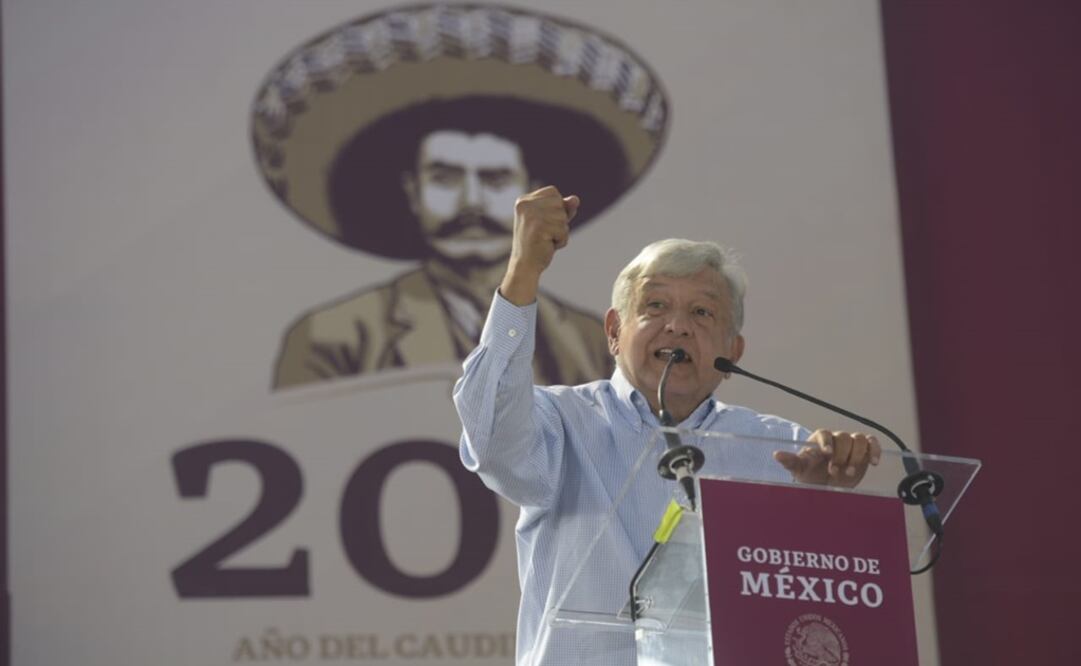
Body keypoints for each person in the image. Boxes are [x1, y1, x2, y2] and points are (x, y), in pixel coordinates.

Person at [454, 186, 881, 666]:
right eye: (655, 307)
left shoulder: (782, 450)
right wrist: (523, 272)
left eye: (701, 312)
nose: (677, 326)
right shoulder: (561, 423)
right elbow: (492, 441)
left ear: (732, 353)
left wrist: (818, 508)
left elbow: (810, 613)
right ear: (614, 332)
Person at [272, 97, 629, 389]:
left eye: (495, 179)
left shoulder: (593, 343)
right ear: (413, 192)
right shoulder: (336, 336)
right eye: (444, 179)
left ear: (532, 191)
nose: (471, 202)